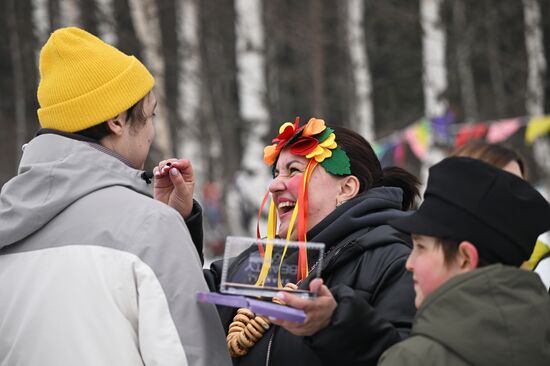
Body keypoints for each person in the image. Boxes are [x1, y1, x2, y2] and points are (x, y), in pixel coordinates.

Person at [0, 27, 230, 366]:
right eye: (150, 115)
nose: (151, 132)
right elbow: (190, 357)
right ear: (117, 120)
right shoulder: (150, 227)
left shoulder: (9, 222)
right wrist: (166, 228)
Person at [205, 117, 420, 365]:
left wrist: (334, 324)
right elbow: (181, 297)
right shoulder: (262, 259)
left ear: (346, 188)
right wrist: (180, 218)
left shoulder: (395, 262)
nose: (274, 185)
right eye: (276, 173)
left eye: (294, 170)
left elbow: (403, 358)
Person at [378, 156, 550, 366]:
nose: (409, 263)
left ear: (465, 257)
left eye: (421, 247)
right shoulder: (539, 338)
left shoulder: (414, 359)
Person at [453, 141, 550, 291]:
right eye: (499, 189)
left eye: (519, 188)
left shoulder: (542, 265)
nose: (514, 200)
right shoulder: (428, 261)